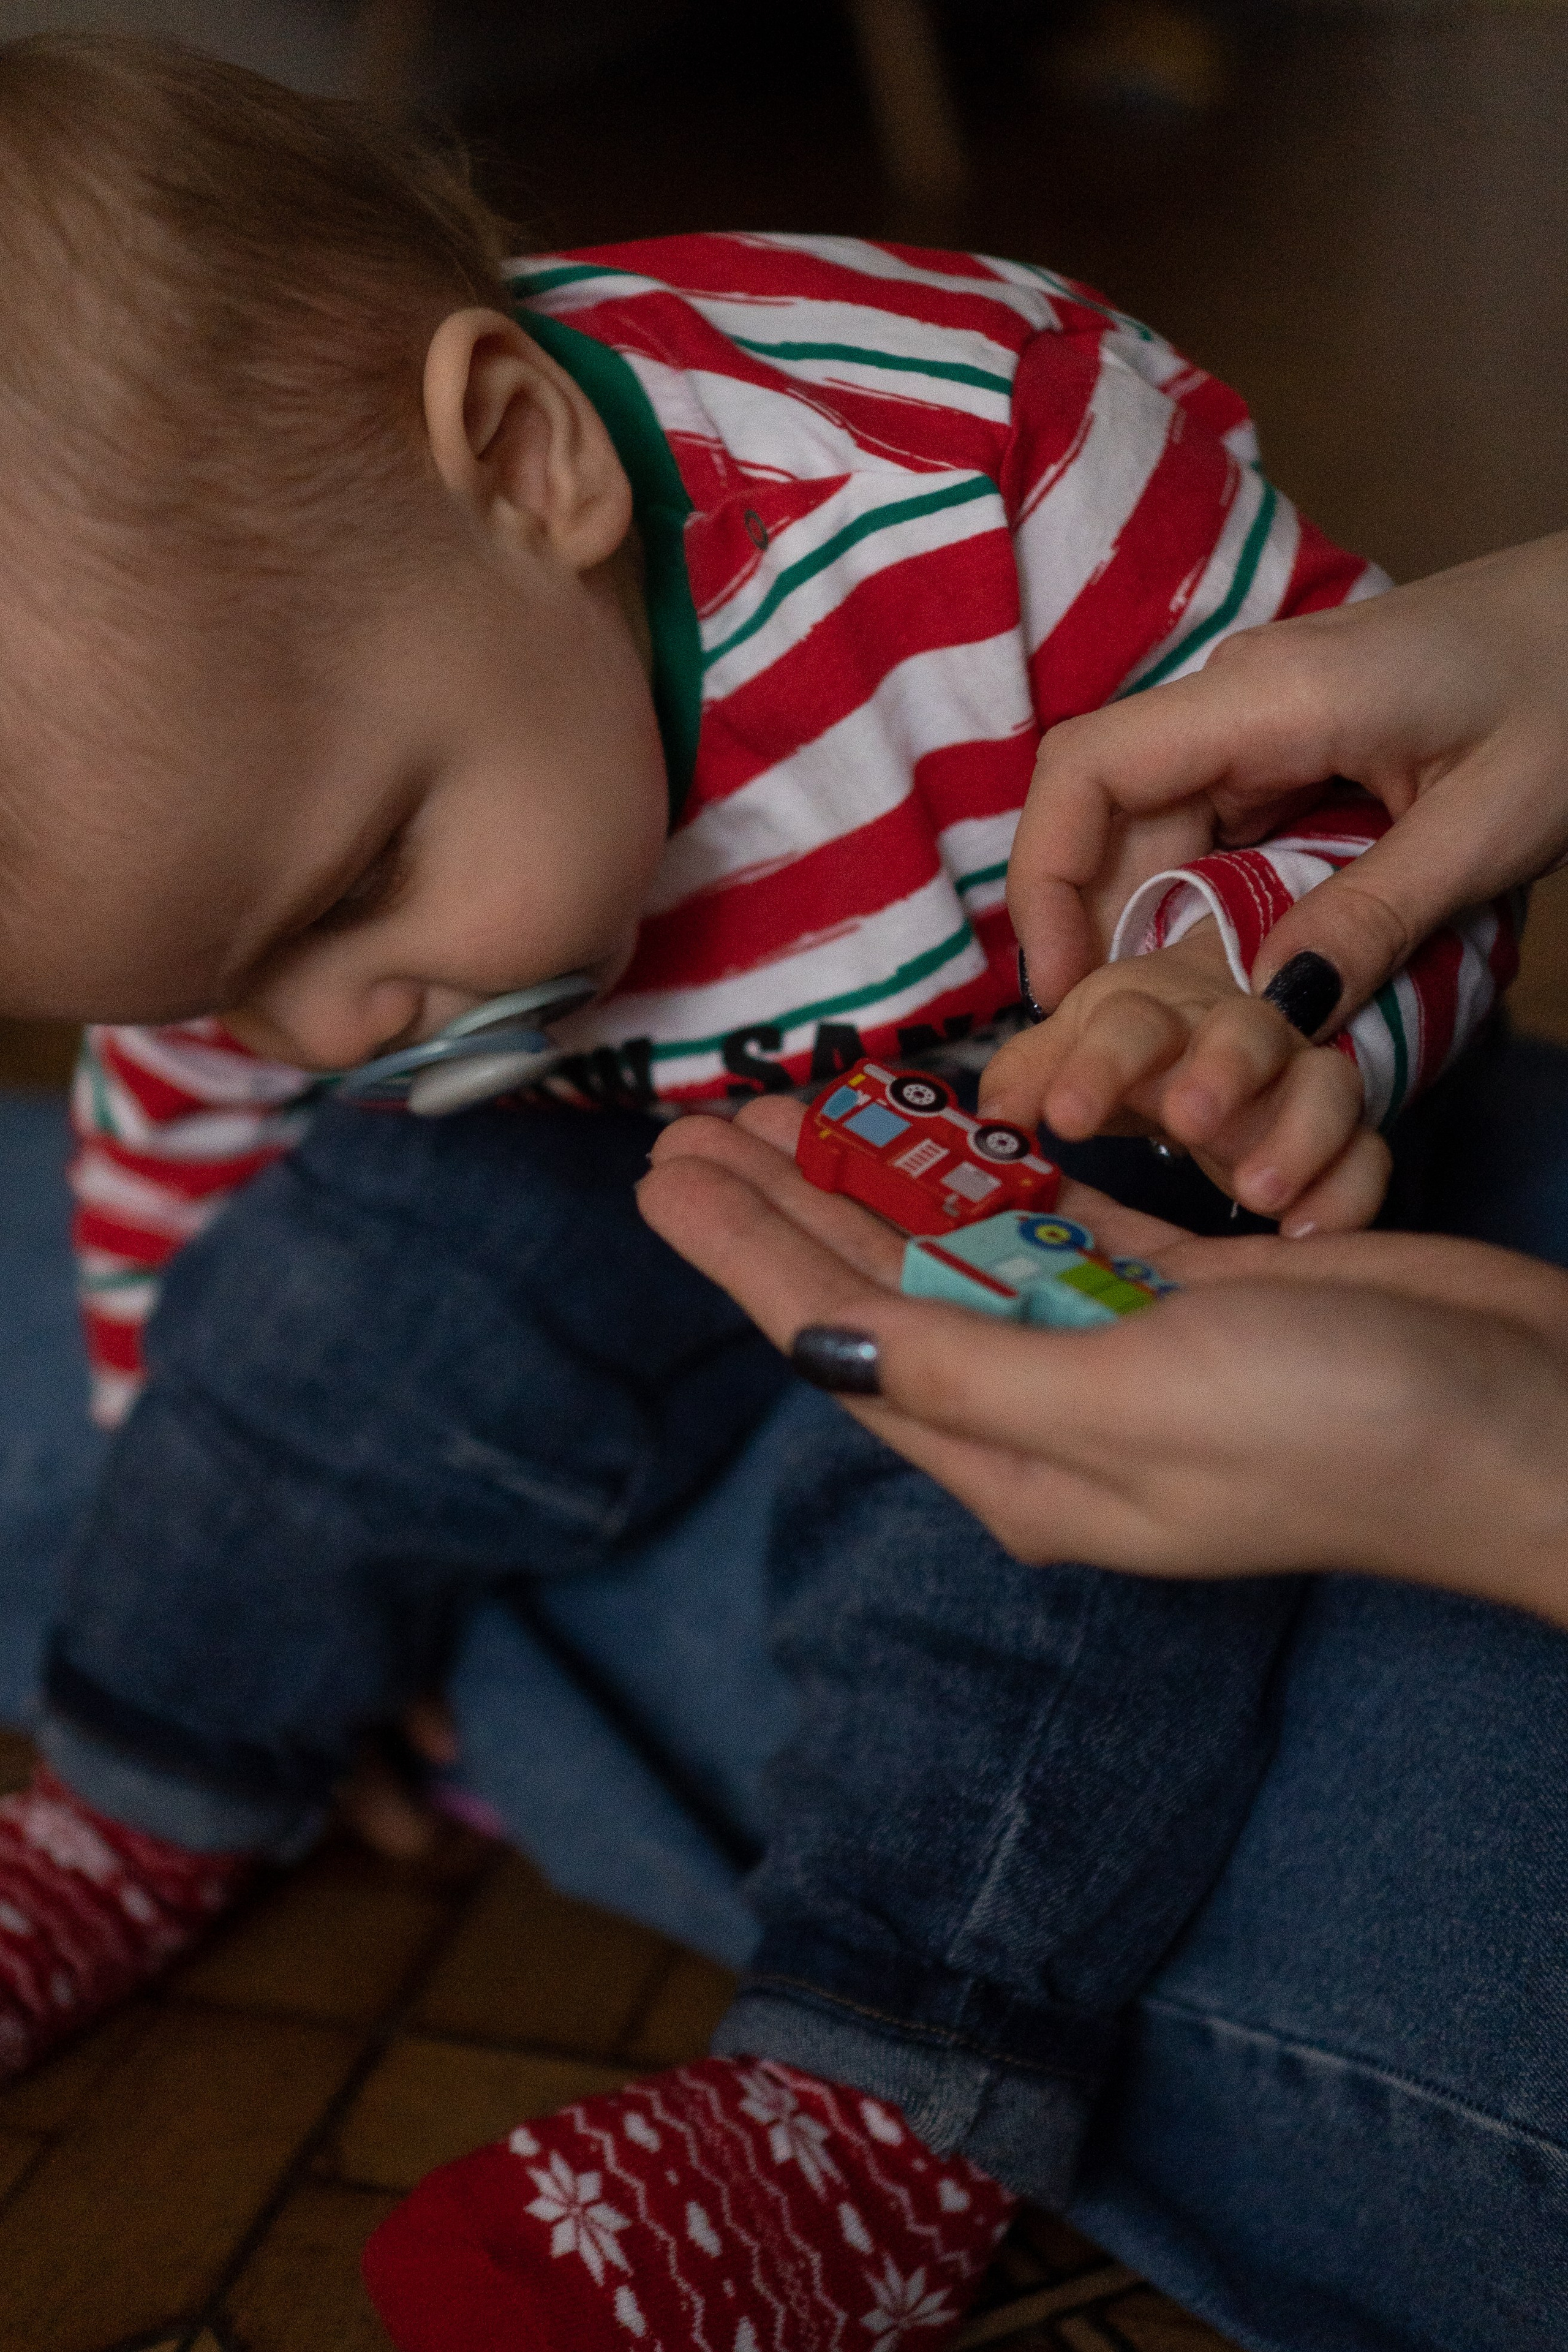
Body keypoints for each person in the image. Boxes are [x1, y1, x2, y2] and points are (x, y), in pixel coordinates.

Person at [0, 33, 1531, 2352]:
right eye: (224, 977)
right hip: (607, 1090)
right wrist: (205, 1506)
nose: (324, 1034)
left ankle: (884, 2096)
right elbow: (192, 1153)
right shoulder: (288, 817)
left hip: (1062, 1089)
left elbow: (1404, 821)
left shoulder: (982, 464)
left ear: (523, 468)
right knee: (299, 1301)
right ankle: (147, 1782)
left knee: (1038, 1532)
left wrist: (1248, 1021)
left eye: (361, 889)